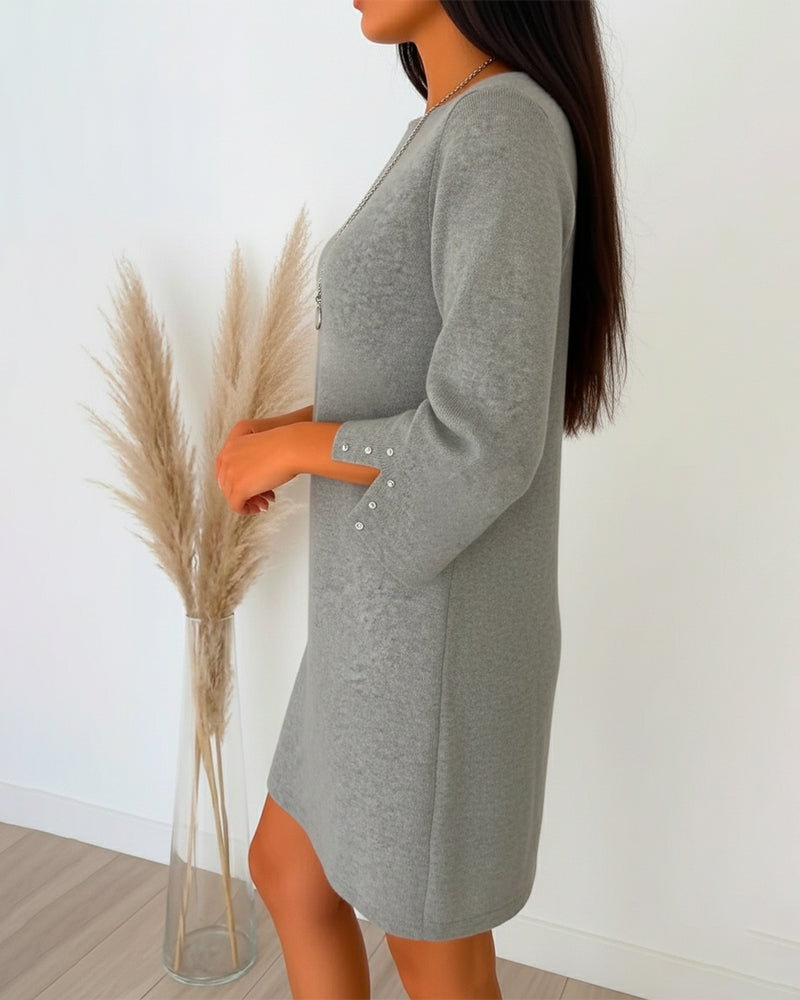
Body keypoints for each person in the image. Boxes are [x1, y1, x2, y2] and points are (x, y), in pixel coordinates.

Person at [215, 1, 627, 997]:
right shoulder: (453, 123)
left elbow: (483, 435)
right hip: (373, 625)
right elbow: (422, 375)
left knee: (430, 947)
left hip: (433, 636)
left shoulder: (503, 127)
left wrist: (296, 449)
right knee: (290, 869)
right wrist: (289, 432)